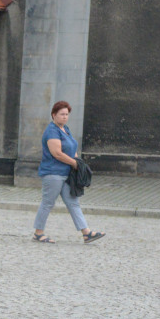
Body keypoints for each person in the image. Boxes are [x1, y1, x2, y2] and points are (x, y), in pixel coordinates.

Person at [32, 101, 105, 244]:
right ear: (54, 115)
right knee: (48, 203)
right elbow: (57, 153)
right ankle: (38, 233)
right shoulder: (52, 131)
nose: (65, 117)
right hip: (53, 173)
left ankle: (86, 233)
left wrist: (78, 162)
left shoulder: (66, 129)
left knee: (73, 202)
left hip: (67, 173)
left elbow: (72, 148)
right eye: (62, 114)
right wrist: (74, 163)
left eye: (67, 114)